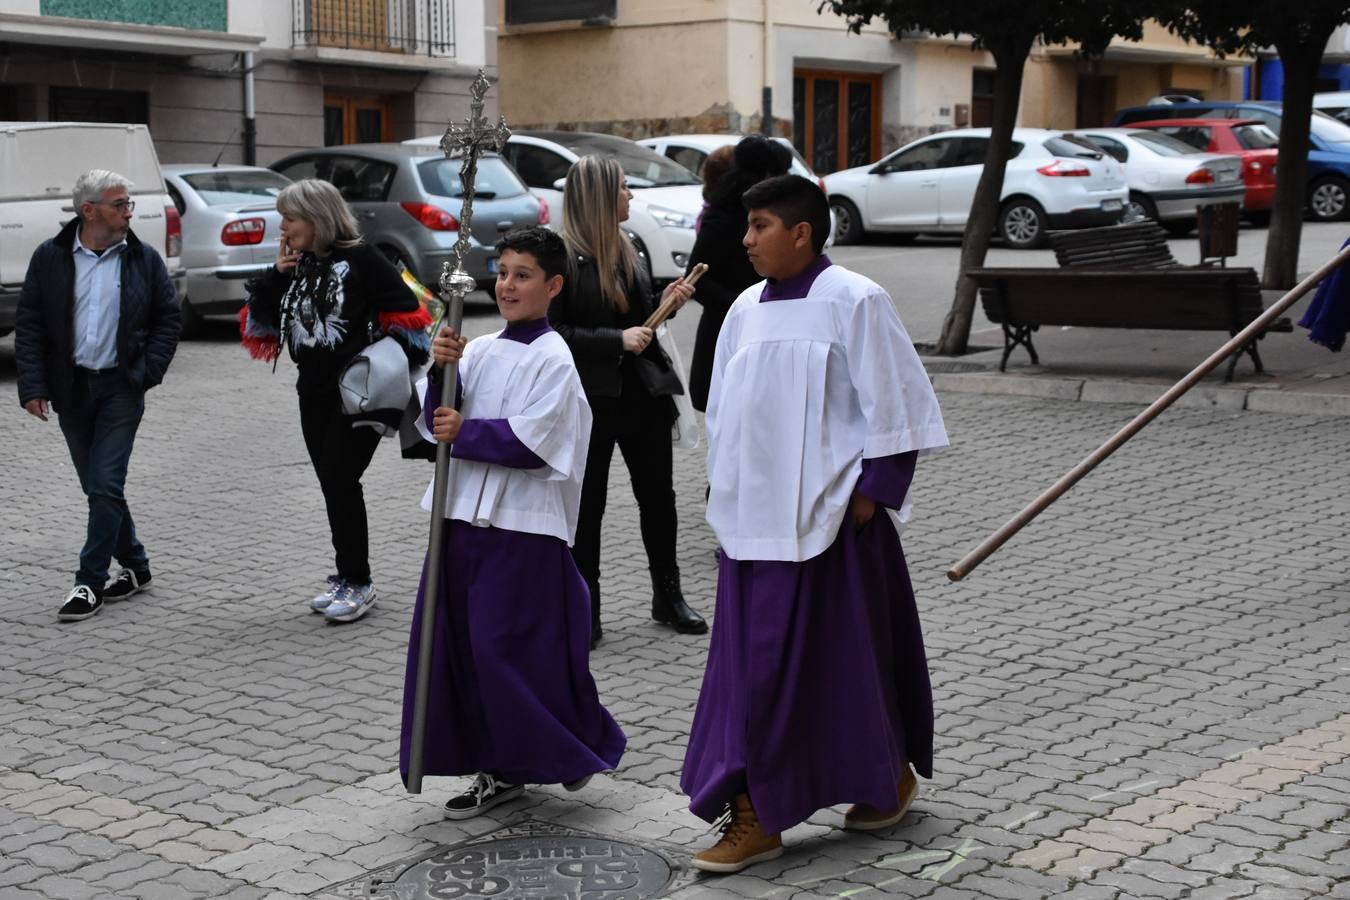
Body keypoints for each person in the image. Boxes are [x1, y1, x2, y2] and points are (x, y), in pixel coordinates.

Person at [681, 175, 949, 873]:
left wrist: (870, 495)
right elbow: (728, 410)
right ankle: (768, 807)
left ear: (801, 233)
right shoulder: (743, 308)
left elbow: (897, 402)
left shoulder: (855, 300)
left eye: (760, 226)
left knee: (840, 670)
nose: (745, 240)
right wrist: (725, 492)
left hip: (830, 524)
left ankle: (871, 782)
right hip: (751, 526)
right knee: (755, 676)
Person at [399, 226, 625, 818]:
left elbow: (539, 441)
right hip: (459, 521)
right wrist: (441, 369)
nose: (507, 286)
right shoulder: (478, 350)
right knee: (462, 652)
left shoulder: (556, 360)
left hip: (521, 528)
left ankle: (560, 748)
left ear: (553, 286)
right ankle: (501, 765)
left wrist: (465, 432)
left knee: (507, 653)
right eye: (501, 273)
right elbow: (436, 415)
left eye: (523, 275)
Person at [240, 178, 430, 623]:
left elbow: (412, 316)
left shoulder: (363, 258)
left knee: (342, 479)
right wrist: (278, 274)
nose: (283, 227)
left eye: (290, 218)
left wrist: (384, 361)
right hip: (312, 392)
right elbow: (260, 324)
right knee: (333, 483)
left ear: (317, 218)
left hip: (358, 394)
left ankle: (359, 582)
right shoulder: (301, 264)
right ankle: (347, 577)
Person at [548, 155, 707, 647]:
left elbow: (640, 320)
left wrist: (666, 302)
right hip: (590, 399)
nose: (630, 195)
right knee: (588, 506)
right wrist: (615, 340)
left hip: (642, 394)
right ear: (599, 195)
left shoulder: (628, 244)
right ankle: (586, 609)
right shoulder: (559, 256)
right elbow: (553, 332)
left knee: (659, 498)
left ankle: (668, 597)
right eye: (622, 187)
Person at [15, 169, 181, 622]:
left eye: (129, 203)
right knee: (97, 486)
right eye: (120, 204)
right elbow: (30, 323)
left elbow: (169, 318)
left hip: (120, 388)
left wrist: (146, 373)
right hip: (71, 389)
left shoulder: (143, 259)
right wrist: (33, 385)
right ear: (89, 211)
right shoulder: (50, 257)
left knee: (106, 483)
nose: (129, 212)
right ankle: (137, 566)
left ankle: (88, 582)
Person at [685, 136, 792, 412]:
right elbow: (697, 280)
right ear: (767, 174)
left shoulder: (781, 213)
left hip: (770, 332)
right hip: (728, 332)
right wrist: (746, 305)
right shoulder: (725, 214)